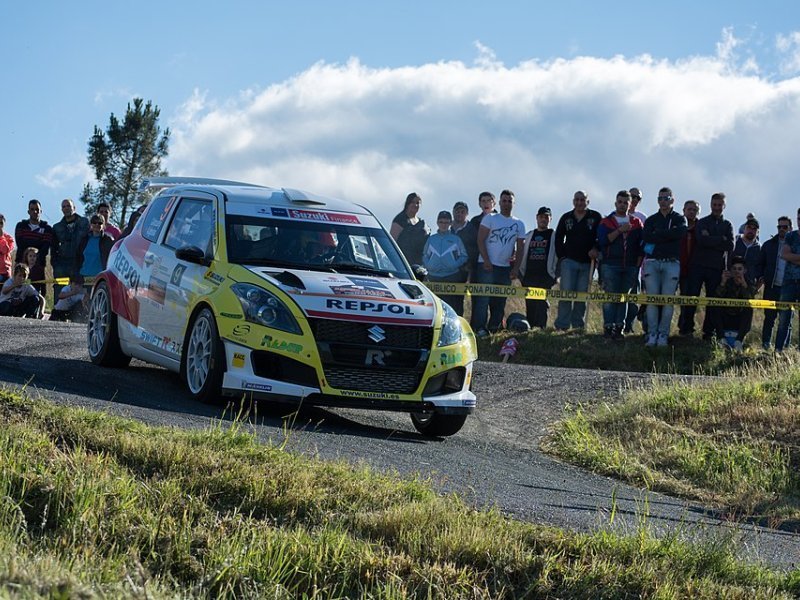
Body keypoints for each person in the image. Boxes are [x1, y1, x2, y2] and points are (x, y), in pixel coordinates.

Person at [472, 189, 526, 335]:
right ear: (499, 202)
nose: (506, 203)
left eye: (509, 201)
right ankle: (479, 329)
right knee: (483, 300)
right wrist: (487, 260)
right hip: (486, 266)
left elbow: (520, 248)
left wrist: (515, 268)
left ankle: (494, 328)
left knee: (499, 301)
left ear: (513, 203)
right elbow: (480, 240)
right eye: (504, 200)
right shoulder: (490, 218)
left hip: (504, 268)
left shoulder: (519, 224)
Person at [683, 192, 735, 340]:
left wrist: (711, 239)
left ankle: (708, 333)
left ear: (724, 206)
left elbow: (730, 245)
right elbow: (701, 240)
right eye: (714, 205)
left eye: (720, 205)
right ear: (711, 205)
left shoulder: (727, 224)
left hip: (716, 268)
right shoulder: (703, 222)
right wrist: (720, 239)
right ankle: (687, 330)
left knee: (712, 301)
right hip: (697, 265)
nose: (717, 208)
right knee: (691, 298)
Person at [641, 187, 687, 346]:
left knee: (668, 300)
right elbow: (647, 236)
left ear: (672, 200)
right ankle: (652, 333)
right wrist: (668, 234)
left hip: (672, 263)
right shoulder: (652, 219)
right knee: (652, 300)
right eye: (660, 198)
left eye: (666, 198)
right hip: (652, 262)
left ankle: (663, 335)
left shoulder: (679, 219)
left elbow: (680, 233)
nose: (663, 202)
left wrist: (658, 234)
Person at [597, 190, 644, 338]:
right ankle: (608, 326)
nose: (623, 205)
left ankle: (619, 328)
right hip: (611, 265)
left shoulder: (636, 223)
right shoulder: (607, 221)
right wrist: (619, 230)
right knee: (611, 297)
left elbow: (641, 244)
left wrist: (638, 263)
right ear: (615, 203)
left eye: (626, 203)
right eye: (620, 202)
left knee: (624, 298)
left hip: (630, 265)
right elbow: (603, 241)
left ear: (630, 205)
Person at [553, 190, 601, 331]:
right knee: (566, 294)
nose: (580, 202)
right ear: (573, 201)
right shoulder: (566, 217)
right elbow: (558, 238)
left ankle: (578, 326)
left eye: (583, 199)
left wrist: (596, 249)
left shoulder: (595, 217)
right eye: (577, 199)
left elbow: (601, 236)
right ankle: (562, 326)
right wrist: (562, 256)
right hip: (569, 262)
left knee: (582, 296)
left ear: (588, 201)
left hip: (588, 263)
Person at [422, 211, 469, 314]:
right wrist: (429, 266)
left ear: (450, 223)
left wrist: (454, 265)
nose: (444, 225)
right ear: (437, 223)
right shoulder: (431, 239)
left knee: (452, 307)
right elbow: (425, 255)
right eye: (441, 222)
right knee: (435, 306)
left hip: (451, 276)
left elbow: (464, 255)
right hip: (433, 277)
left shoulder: (456, 239)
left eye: (446, 222)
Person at [520, 206, 558, 329]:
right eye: (541, 217)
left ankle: (541, 328)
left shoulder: (554, 235)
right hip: (529, 275)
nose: (543, 219)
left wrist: (555, 275)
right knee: (530, 303)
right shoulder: (530, 235)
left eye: (546, 217)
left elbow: (560, 256)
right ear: (537, 218)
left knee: (542, 304)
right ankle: (529, 328)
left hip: (545, 275)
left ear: (550, 219)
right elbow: (520, 252)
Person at [757, 216, 792, 350]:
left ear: (790, 228)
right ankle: (766, 344)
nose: (782, 229)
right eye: (779, 227)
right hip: (772, 286)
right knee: (769, 318)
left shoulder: (795, 244)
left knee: (786, 320)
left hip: (789, 288)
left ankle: (784, 348)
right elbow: (760, 263)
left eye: (785, 227)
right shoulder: (769, 244)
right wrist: (761, 276)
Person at [712, 256, 755, 352]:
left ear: (744, 270)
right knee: (715, 307)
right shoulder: (727, 281)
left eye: (740, 269)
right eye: (734, 269)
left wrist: (743, 284)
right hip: (725, 317)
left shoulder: (749, 283)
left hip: (740, 319)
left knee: (749, 308)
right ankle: (721, 339)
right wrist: (723, 282)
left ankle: (739, 341)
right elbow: (716, 298)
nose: (737, 272)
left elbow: (751, 299)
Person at [14, 199, 53, 298]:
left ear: (41, 211)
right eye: (32, 209)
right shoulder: (21, 226)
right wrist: (33, 248)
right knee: (19, 289)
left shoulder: (47, 228)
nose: (35, 212)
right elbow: (20, 243)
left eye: (37, 209)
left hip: (39, 264)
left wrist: (36, 255)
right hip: (22, 263)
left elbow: (45, 245)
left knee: (37, 290)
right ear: (28, 211)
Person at [52, 198, 89, 300]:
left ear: (74, 208)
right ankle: (58, 312)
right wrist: (55, 264)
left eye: (68, 206)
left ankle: (77, 313)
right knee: (60, 289)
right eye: (64, 206)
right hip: (62, 264)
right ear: (61, 209)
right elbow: (53, 247)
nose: (66, 208)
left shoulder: (84, 222)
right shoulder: (57, 227)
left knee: (78, 289)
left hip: (79, 263)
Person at [776, 208, 800, 352]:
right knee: (784, 318)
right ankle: (778, 350)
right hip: (789, 282)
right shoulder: (790, 236)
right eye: (799, 218)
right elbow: (785, 255)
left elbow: (790, 256)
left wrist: (794, 257)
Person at [624, 187, 647, 332]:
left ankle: (629, 326)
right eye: (632, 196)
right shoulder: (615, 216)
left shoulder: (642, 218)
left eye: (637, 198)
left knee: (633, 299)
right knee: (617, 298)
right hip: (618, 262)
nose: (634, 200)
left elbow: (645, 242)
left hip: (636, 265)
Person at [678, 200, 701, 336]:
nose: (691, 212)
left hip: (693, 269)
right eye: (689, 209)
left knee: (690, 300)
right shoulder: (678, 225)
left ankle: (686, 328)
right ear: (684, 210)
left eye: (694, 210)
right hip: (676, 266)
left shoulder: (700, 227)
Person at [74, 214, 115, 287]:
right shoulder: (84, 239)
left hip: (99, 277)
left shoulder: (108, 240)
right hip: (83, 276)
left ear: (104, 225)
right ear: (91, 224)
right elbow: (78, 257)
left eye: (100, 223)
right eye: (94, 222)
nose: (97, 225)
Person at [390, 192, 429, 266]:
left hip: (418, 263)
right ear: (407, 203)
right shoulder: (400, 220)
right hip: (402, 262)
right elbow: (392, 242)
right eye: (413, 202)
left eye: (418, 203)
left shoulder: (421, 223)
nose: (415, 205)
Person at [451, 201, 478, 284]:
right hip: (447, 269)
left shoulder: (472, 229)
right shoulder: (447, 227)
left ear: (467, 213)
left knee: (459, 296)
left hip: (464, 269)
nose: (459, 214)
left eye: (462, 212)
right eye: (457, 212)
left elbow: (475, 249)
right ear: (453, 212)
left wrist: (469, 265)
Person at [730, 217, 761, 284]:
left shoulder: (759, 249)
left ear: (757, 232)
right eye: (749, 227)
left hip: (748, 285)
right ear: (744, 229)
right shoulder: (734, 241)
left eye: (754, 229)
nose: (751, 230)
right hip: (730, 282)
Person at [0, 213, 14, 283]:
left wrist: (1, 237)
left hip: (5, 272)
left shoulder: (9, 239)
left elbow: (5, 250)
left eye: (1, 223)